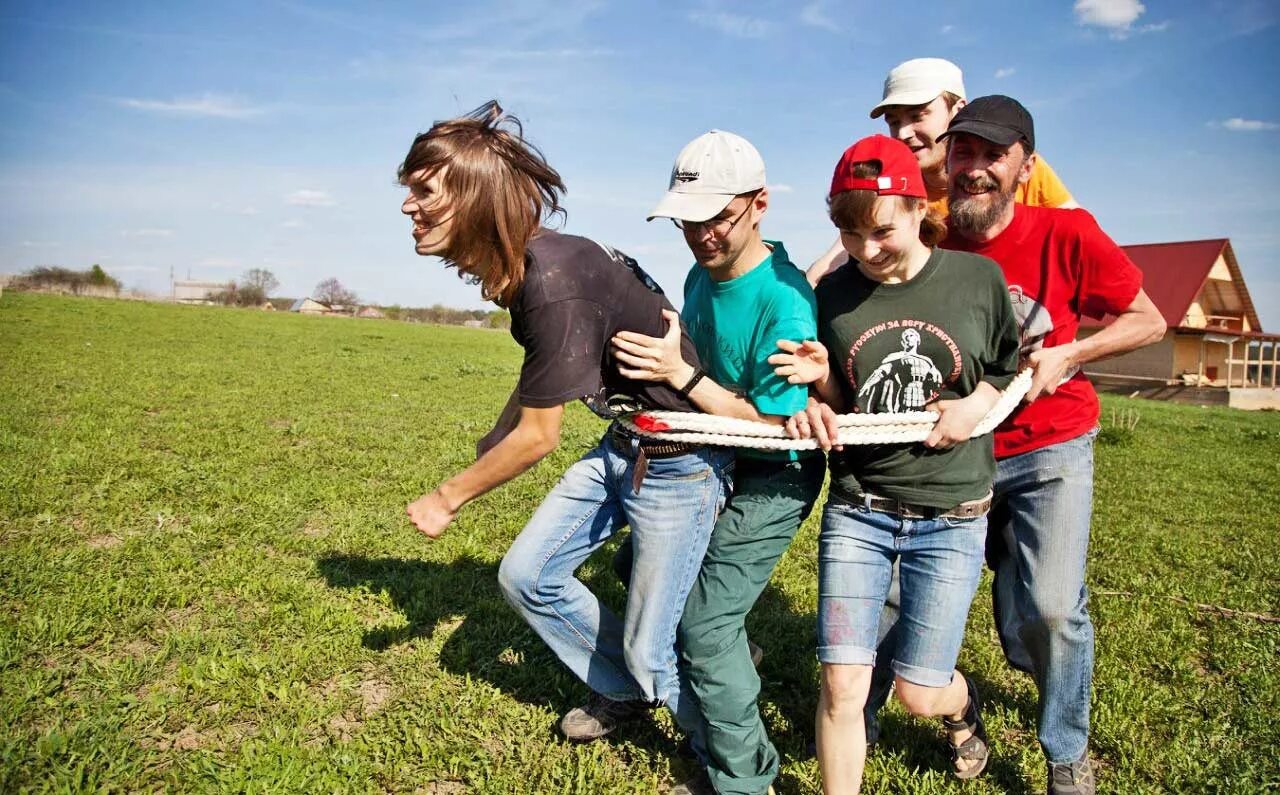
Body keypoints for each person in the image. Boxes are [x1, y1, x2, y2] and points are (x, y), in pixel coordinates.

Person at [854, 96, 1166, 794]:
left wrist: (1072, 353)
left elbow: (1149, 319)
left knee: (1049, 609)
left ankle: (1065, 752)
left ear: (1025, 166)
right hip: (959, 450)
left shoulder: (1069, 232)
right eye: (963, 152)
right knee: (898, 588)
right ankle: (859, 717)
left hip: (1053, 441)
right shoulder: (930, 240)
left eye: (992, 154)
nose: (974, 168)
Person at [399, 101, 734, 746]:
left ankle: (730, 770)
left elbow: (540, 436)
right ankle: (621, 690)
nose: (409, 207)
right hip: (626, 444)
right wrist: (494, 436)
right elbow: (542, 378)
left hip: (682, 462)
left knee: (654, 651)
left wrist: (448, 497)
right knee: (527, 575)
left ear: (473, 197)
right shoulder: (531, 267)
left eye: (424, 192)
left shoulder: (550, 278)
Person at [770, 134, 1021, 794]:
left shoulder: (978, 281)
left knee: (916, 689)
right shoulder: (834, 297)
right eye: (850, 235)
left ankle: (961, 710)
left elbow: (1005, 365)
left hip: (952, 513)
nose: (866, 251)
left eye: (880, 232)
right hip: (861, 508)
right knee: (842, 683)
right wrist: (821, 383)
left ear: (917, 208)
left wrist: (978, 405)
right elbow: (842, 402)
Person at [608, 130, 823, 795]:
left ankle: (745, 776)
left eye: (716, 218)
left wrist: (679, 374)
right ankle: (715, 664)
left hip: (773, 474)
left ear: (760, 204)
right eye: (687, 220)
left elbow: (774, 421)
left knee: (702, 622)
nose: (700, 234)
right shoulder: (701, 277)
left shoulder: (784, 299)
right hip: (716, 458)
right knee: (636, 566)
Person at [805, 57, 1077, 287]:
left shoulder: (1012, 170)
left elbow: (1080, 240)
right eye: (894, 122)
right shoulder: (895, 185)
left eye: (917, 116)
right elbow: (857, 241)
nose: (903, 133)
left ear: (958, 110)